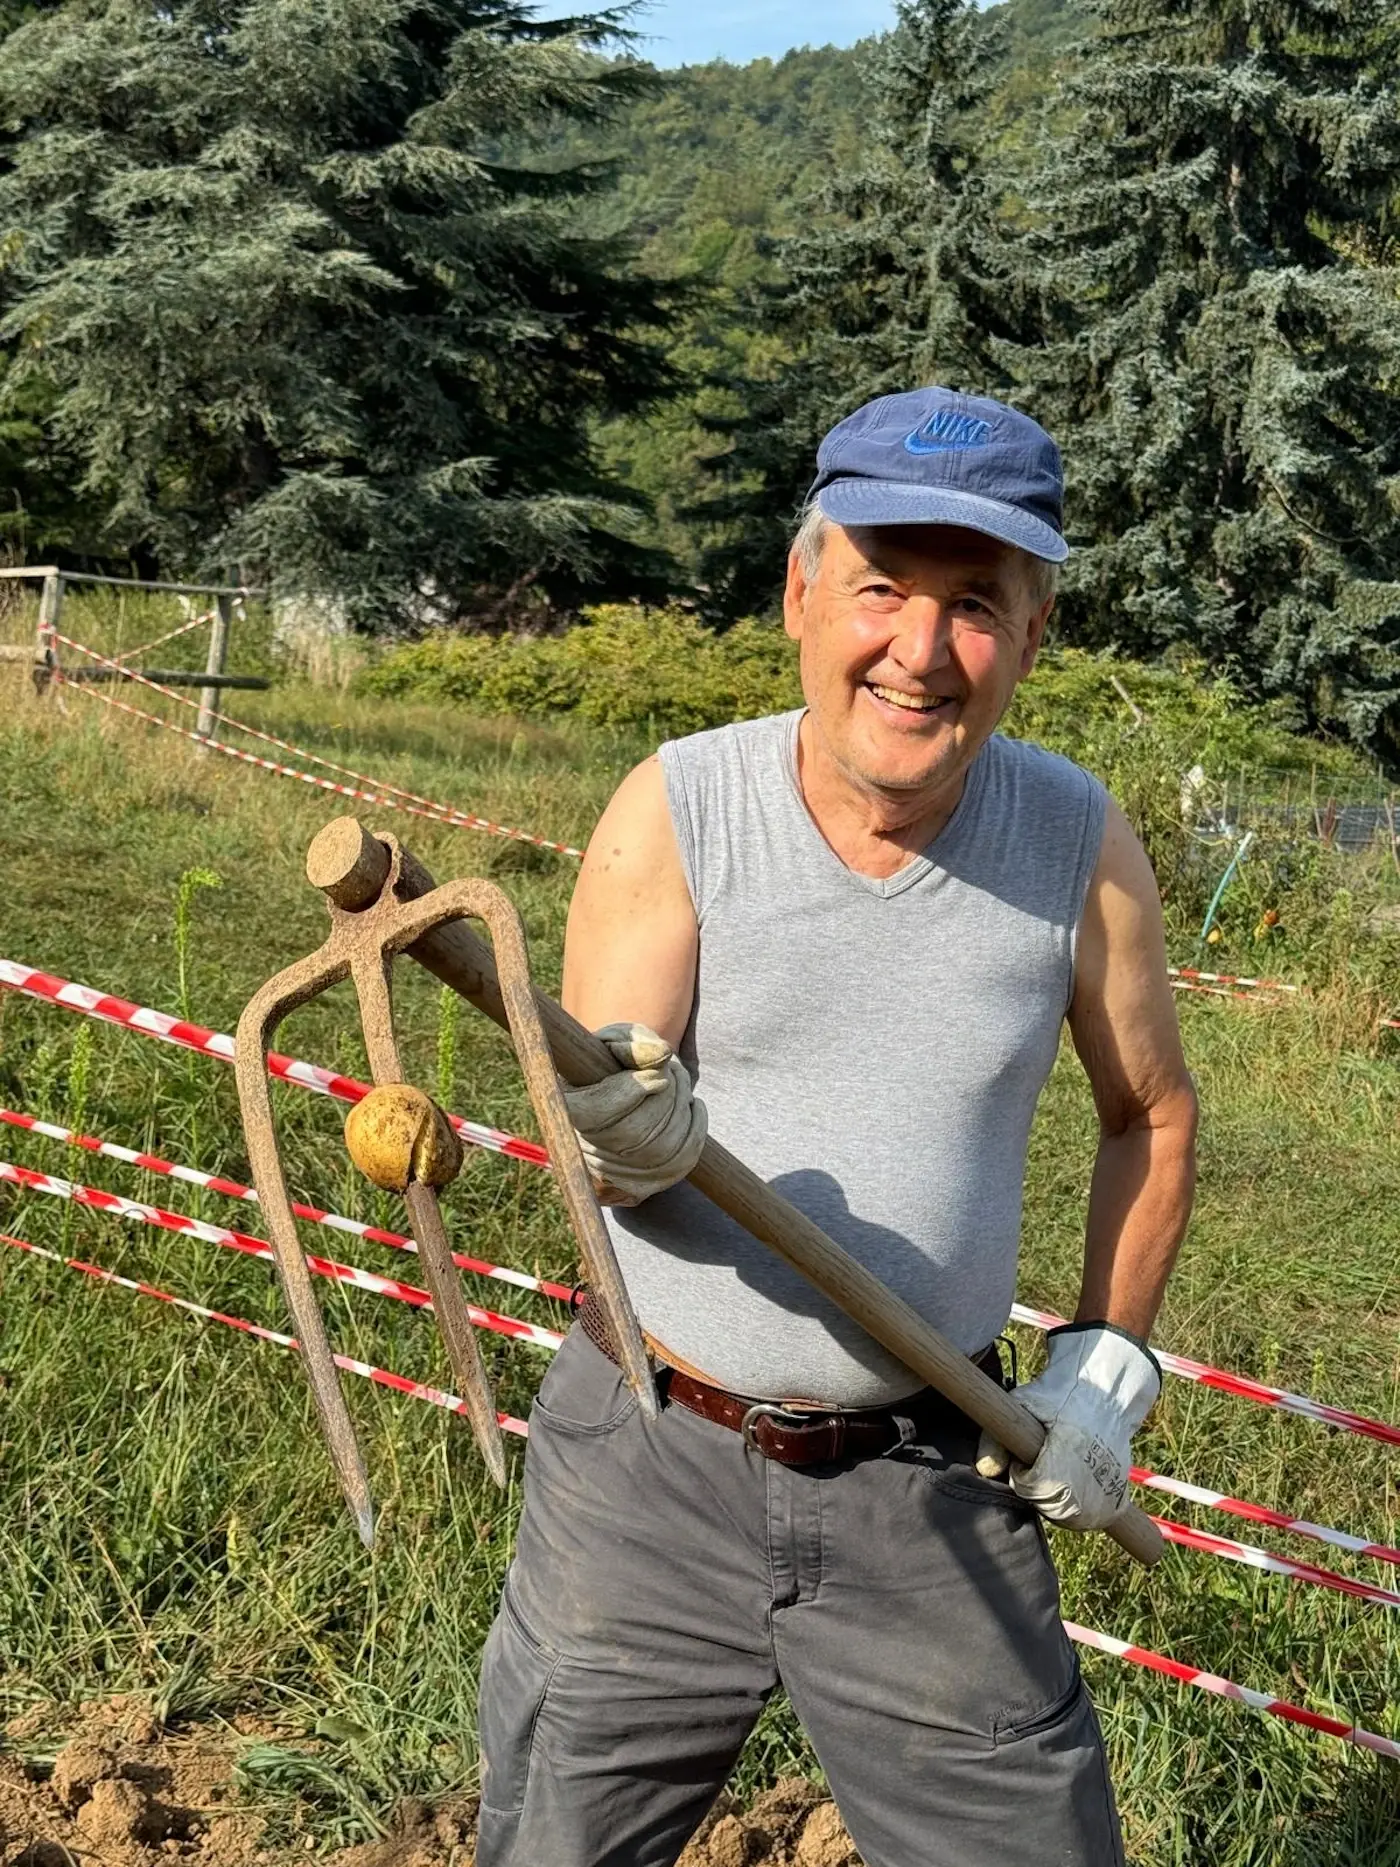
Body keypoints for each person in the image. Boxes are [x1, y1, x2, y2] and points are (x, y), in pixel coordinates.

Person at [474, 388, 1199, 1867]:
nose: (920, 650)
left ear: (1036, 632)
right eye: (881, 587)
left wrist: (1103, 1376)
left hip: (932, 1475)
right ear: (802, 594)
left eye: (975, 603)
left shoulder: (1077, 844)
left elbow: (1151, 1112)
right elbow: (602, 1112)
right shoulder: (680, 808)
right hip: (648, 1464)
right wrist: (621, 1137)